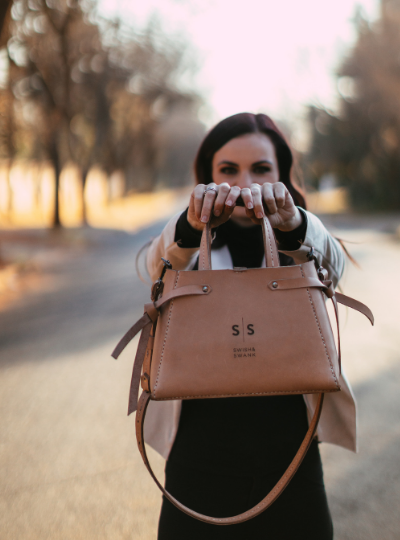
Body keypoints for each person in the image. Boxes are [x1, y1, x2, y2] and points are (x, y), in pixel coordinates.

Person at [144, 113, 357, 539]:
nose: (245, 184)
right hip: (197, 459)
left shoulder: (299, 236)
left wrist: (294, 226)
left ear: (281, 176)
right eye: (228, 170)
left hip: (292, 457)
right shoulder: (185, 237)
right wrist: (190, 226)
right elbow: (155, 269)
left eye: (260, 169)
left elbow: (333, 267)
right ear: (207, 177)